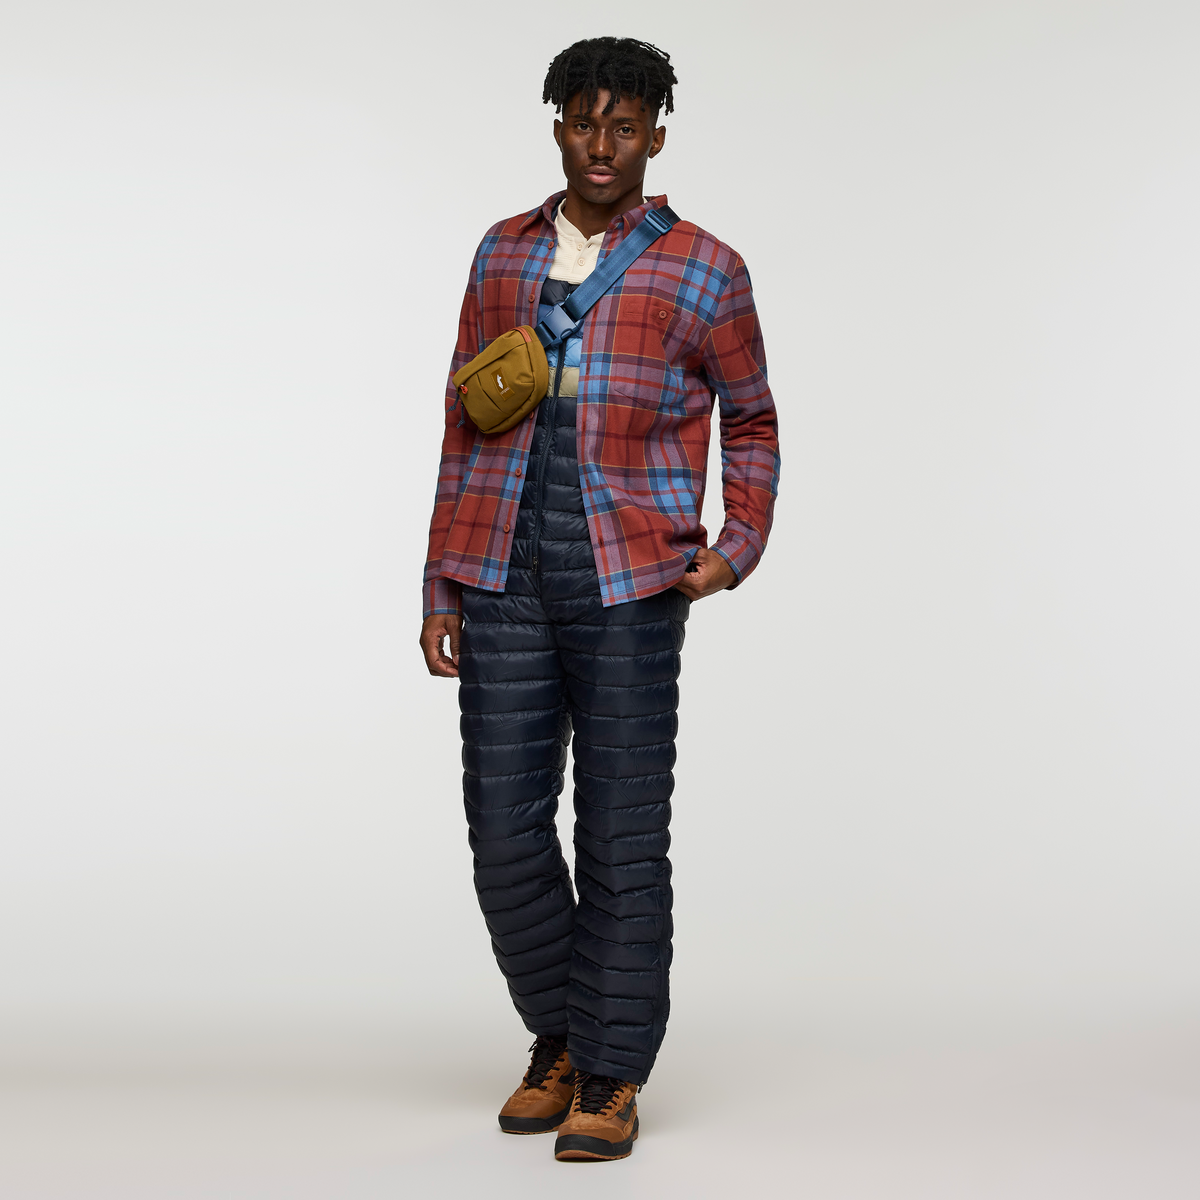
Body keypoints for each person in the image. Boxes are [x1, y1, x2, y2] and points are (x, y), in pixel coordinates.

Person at [419, 36, 780, 1162]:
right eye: (584, 123)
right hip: (501, 573)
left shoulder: (706, 268)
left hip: (630, 584)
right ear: (558, 127)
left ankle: (611, 1072)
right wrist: (440, 576)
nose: (602, 145)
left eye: (624, 126)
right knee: (502, 833)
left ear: (657, 135)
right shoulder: (501, 252)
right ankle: (565, 1038)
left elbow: (753, 418)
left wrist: (737, 545)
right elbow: (462, 419)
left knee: (622, 840)